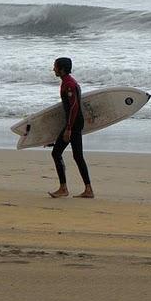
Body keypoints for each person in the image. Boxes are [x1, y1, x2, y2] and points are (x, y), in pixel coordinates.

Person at [48, 57, 94, 199]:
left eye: (55, 67)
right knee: (77, 156)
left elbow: (73, 108)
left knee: (56, 153)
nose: (53, 69)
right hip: (74, 122)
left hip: (73, 124)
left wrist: (68, 129)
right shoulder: (69, 82)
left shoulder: (69, 84)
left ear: (62, 69)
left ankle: (64, 188)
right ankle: (88, 189)